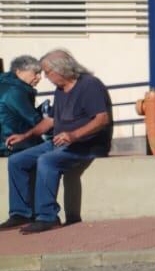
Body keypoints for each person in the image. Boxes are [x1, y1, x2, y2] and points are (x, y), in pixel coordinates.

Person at [3, 49, 112, 234]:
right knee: (17, 161)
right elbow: (50, 120)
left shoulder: (90, 85)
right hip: (61, 142)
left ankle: (47, 216)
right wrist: (25, 136)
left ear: (62, 70)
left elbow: (102, 119)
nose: (45, 77)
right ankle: (21, 213)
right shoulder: (60, 89)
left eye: (47, 72)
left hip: (87, 144)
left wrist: (74, 135)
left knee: (47, 161)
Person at [0, 54, 44, 158]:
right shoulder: (14, 91)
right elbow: (34, 119)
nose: (39, 77)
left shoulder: (7, 85)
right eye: (35, 73)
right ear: (18, 71)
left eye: (40, 73)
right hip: (13, 146)